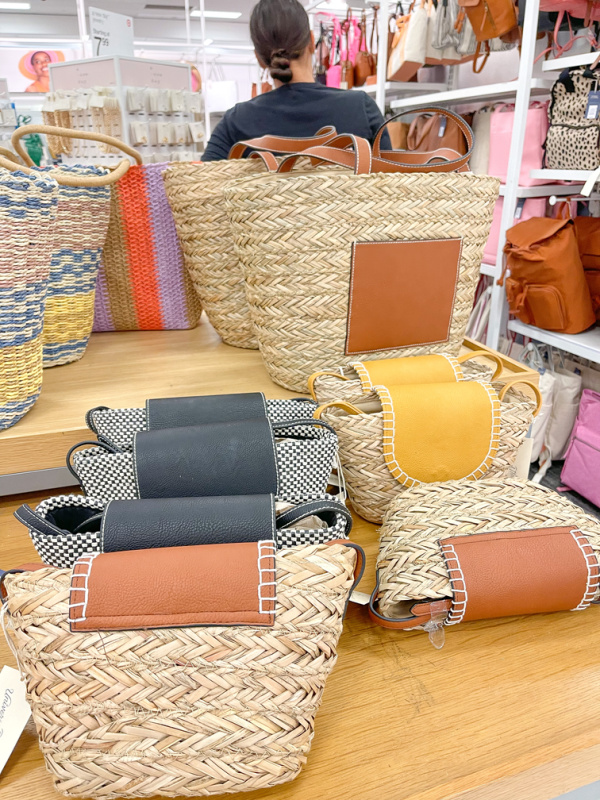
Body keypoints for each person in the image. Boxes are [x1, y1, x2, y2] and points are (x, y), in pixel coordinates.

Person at [202, 0, 390, 161]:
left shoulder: (236, 121)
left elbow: (200, 186)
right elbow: (392, 186)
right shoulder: (360, 107)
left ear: (259, 59)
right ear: (311, 41)